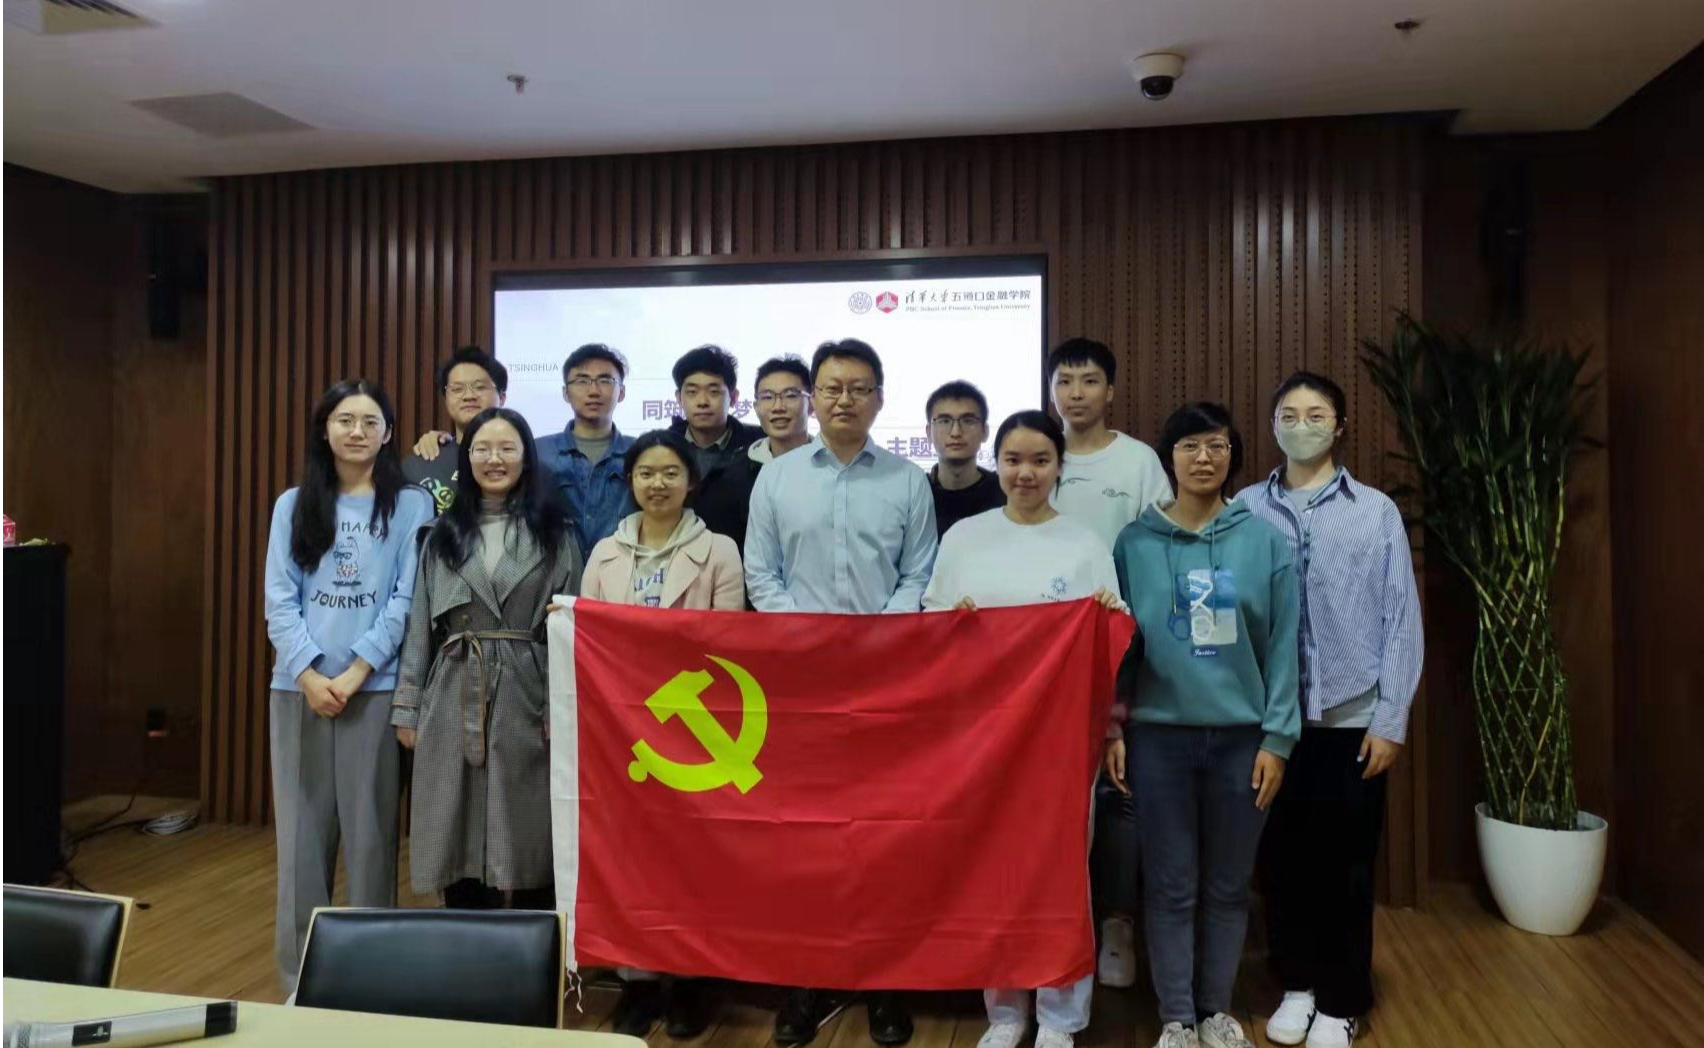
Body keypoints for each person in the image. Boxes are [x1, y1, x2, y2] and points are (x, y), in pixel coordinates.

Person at [745, 338, 937, 1047]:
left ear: (880, 398)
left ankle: (885, 984)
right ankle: (805, 982)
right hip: (798, 686)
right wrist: (811, 641)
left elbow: (920, 575)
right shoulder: (777, 478)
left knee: (885, 836)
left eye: (859, 388)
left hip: (887, 683)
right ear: (812, 399)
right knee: (804, 838)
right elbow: (760, 574)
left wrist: (873, 644)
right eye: (831, 388)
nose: (844, 399)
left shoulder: (908, 481)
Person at [922, 410, 1123, 1048]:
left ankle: (1061, 1015)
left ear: (1060, 465)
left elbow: (1110, 644)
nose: (1025, 473)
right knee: (994, 867)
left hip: (1061, 740)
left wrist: (1108, 616)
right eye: (1013, 460)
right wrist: (951, 622)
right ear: (997, 463)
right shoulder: (965, 539)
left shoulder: (1085, 544)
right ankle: (1006, 1011)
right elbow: (929, 630)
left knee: (1062, 869)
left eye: (1040, 460)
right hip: (981, 736)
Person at [1104, 402, 1300, 1048]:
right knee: (1169, 884)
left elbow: (1284, 646)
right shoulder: (1134, 543)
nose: (1204, 457)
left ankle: (1216, 1010)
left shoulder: (1264, 542)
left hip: (1243, 742)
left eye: (1217, 445)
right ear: (1169, 458)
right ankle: (1177, 1018)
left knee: (1228, 884)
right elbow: (1120, 649)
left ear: (1233, 455)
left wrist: (1278, 738)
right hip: (1158, 738)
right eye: (1189, 446)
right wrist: (1114, 729)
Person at [1237, 373, 1422, 1048]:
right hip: (1273, 722)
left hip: (1351, 717)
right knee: (1282, 860)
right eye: (1289, 414)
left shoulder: (1375, 511)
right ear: (1273, 425)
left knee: (1346, 864)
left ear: (1339, 426)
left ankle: (1343, 1000)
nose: (1302, 425)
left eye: (1316, 415)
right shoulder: (1245, 508)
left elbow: (1400, 617)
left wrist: (1390, 718)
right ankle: (1297, 984)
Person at [263, 379, 435, 992]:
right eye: (344, 420)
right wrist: (310, 673)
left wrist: (359, 670)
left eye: (369, 421)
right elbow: (280, 598)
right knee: (301, 844)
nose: (356, 431)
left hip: (376, 689)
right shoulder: (293, 504)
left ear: (388, 433)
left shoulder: (411, 504)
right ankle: (298, 982)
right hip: (299, 691)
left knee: (371, 841)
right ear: (325, 429)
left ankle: (371, 980)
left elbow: (407, 599)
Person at [579, 428, 744, 1039]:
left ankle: (693, 982)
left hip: (695, 727)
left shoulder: (720, 550)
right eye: (646, 473)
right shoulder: (605, 552)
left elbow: (728, 642)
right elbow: (589, 636)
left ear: (691, 482)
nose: (657, 483)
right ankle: (639, 981)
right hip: (622, 729)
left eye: (670, 472)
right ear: (630, 481)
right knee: (630, 854)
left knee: (693, 857)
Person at [391, 407, 581, 919]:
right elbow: (419, 624)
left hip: (528, 688)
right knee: (456, 825)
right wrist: (408, 706)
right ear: (467, 458)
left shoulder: (556, 533)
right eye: (482, 449)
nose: (494, 459)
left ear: (526, 457)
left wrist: (561, 708)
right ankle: (466, 945)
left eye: (507, 448)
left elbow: (571, 629)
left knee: (529, 831)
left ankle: (534, 952)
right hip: (454, 687)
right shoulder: (440, 534)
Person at [1046, 336, 1170, 988]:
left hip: (1124, 647)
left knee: (1120, 787)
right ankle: (1058, 917)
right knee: (1052, 790)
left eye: (1088, 380)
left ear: (1111, 390)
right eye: (1064, 381)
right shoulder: (1041, 451)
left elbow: (1163, 545)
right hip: (1045, 656)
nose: (1076, 393)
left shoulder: (1139, 461)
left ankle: (1118, 921)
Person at [536, 343, 636, 558]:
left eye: (605, 380)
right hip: (555, 574)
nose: (593, 391)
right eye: (582, 381)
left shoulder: (640, 454)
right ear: (566, 393)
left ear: (621, 392)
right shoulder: (537, 452)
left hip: (622, 574)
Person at [667, 344, 762, 548]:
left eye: (713, 391)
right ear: (679, 398)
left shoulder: (760, 446)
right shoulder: (661, 448)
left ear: (734, 397)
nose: (702, 401)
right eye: (692, 392)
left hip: (742, 561)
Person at [404, 345, 508, 515]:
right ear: (446, 399)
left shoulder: (520, 461)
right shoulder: (418, 465)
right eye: (457, 389)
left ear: (502, 398)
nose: (468, 396)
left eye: (480, 387)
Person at [925, 380, 1004, 538]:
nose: (956, 432)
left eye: (968, 421)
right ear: (929, 432)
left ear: (985, 432)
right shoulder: (917, 493)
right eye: (945, 421)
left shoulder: (1005, 492)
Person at [747, 354, 814, 464]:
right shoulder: (736, 469)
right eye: (767, 397)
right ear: (756, 408)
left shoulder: (833, 463)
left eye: (790, 395)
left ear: (812, 404)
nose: (778, 407)